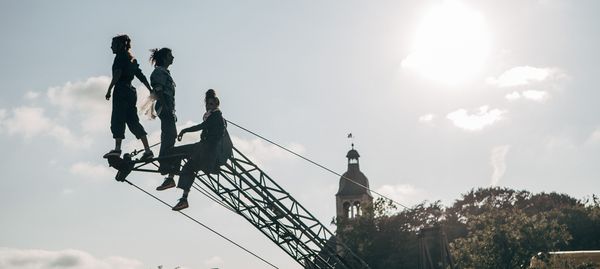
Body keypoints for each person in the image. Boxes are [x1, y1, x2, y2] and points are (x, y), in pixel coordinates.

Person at [159, 89, 225, 211]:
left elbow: (202, 126)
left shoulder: (216, 117)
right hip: (204, 152)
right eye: (207, 104)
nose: (208, 106)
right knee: (188, 169)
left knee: (174, 152)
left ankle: (170, 177)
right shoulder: (213, 116)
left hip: (204, 150)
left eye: (210, 104)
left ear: (216, 104)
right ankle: (184, 199)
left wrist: (185, 130)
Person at [103, 34, 154, 160]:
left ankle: (117, 149)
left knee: (117, 118)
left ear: (119, 45)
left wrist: (109, 89)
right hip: (131, 92)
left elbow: (117, 73)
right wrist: (150, 90)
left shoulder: (120, 57)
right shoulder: (132, 59)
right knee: (133, 120)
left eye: (113, 44)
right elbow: (141, 76)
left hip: (121, 89)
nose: (111, 47)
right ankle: (148, 150)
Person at [148, 47, 179, 189]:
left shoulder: (164, 72)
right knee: (169, 135)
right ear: (165, 57)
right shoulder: (159, 72)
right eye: (170, 55)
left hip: (168, 108)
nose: (173, 58)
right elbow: (159, 90)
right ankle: (165, 164)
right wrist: (166, 107)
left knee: (169, 135)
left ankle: (166, 164)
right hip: (165, 107)